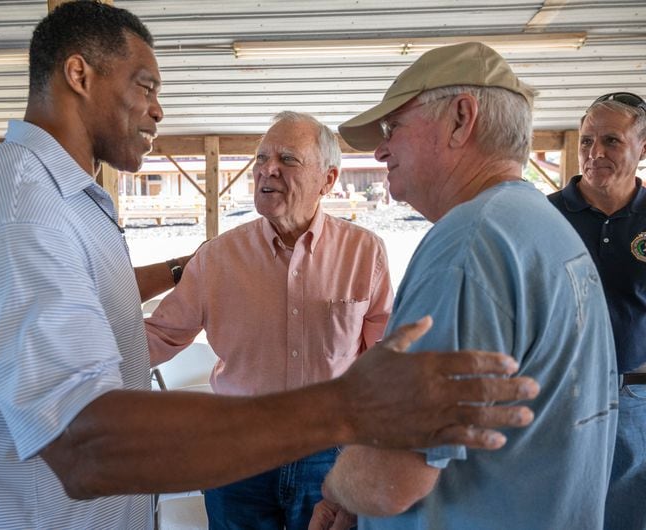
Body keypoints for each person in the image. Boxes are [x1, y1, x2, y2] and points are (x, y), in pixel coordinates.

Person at [0, 5, 540, 529]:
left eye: (286, 161)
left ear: (327, 178)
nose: (158, 110)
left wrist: (347, 425)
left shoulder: (69, 205)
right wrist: (348, 409)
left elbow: (113, 345)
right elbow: (85, 439)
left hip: (302, 460)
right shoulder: (22, 209)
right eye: (146, 86)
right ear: (79, 74)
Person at [311, 42, 619, 530]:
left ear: (460, 118)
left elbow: (393, 477)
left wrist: (335, 486)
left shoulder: (469, 245)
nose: (381, 149)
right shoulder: (543, 227)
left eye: (394, 128)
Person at [145, 110, 394, 529]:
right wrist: (70, 351)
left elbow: (384, 360)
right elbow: (158, 336)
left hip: (329, 455)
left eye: (288, 159)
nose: (267, 170)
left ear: (328, 180)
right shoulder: (218, 258)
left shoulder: (364, 253)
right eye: (261, 159)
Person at [547, 92, 646, 530]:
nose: (594, 153)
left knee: (629, 515)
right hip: (558, 398)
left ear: (643, 148)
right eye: (586, 141)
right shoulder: (543, 216)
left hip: (637, 398)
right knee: (559, 512)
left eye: (612, 141)